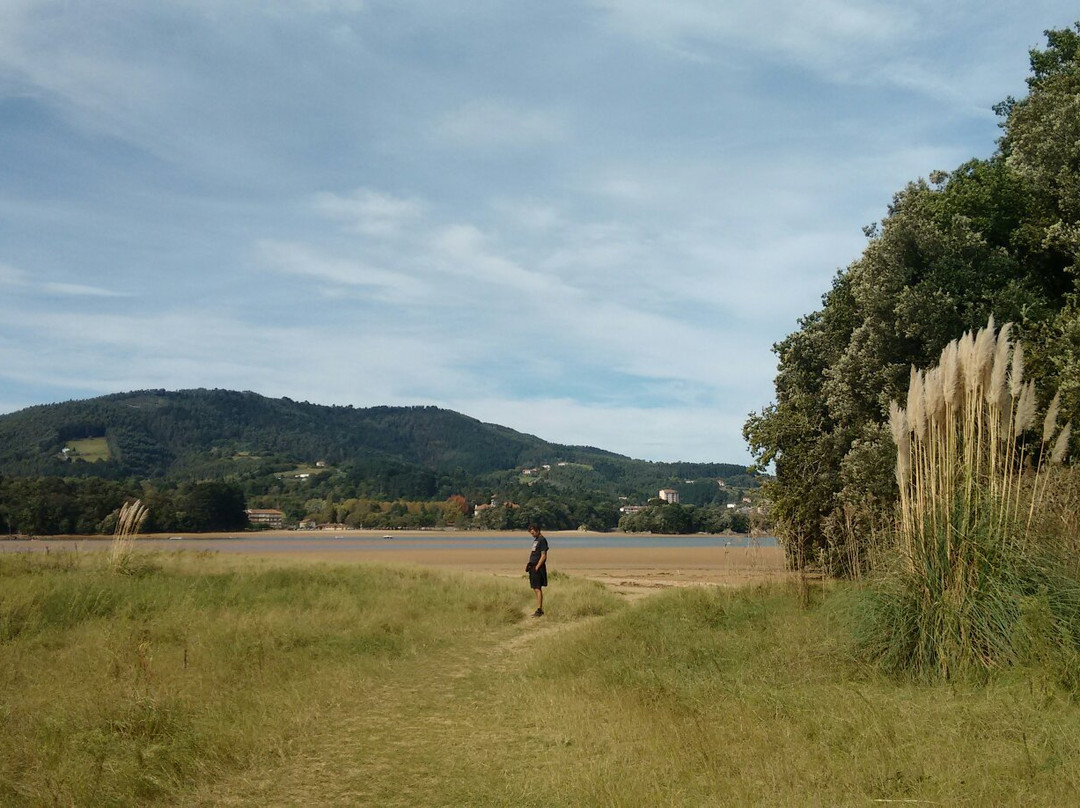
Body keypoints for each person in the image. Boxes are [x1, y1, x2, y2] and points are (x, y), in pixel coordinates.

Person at [525, 523, 548, 617]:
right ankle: (538, 609)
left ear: (538, 530)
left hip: (537, 567)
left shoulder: (542, 540)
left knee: (538, 588)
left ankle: (539, 610)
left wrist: (537, 567)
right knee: (535, 588)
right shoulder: (536, 540)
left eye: (533, 532)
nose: (532, 534)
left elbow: (543, 555)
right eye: (531, 533)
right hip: (532, 566)